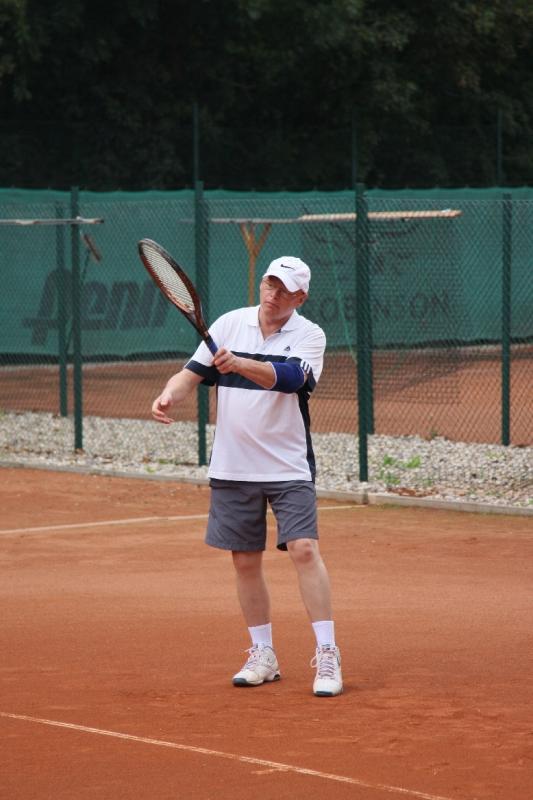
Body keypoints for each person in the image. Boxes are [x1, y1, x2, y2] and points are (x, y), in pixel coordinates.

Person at [151, 256, 342, 697]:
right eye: (269, 284)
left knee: (304, 550)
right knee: (244, 560)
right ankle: (263, 654)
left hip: (288, 465)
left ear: (300, 297)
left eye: (284, 289)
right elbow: (190, 375)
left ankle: (328, 653)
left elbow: (292, 379)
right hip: (233, 466)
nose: (273, 294)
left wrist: (238, 363)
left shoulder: (310, 335)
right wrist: (169, 394)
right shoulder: (229, 324)